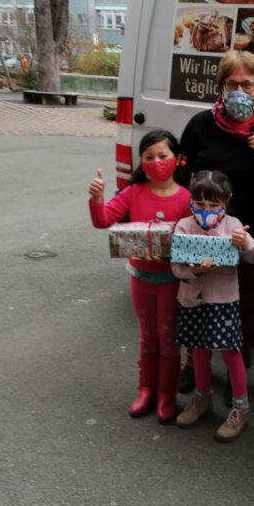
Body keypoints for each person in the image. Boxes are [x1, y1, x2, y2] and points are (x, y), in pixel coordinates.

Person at [178, 50, 254, 398]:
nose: (240, 91)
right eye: (232, 83)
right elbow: (182, 177)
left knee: (242, 303)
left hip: (246, 233)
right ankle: (192, 362)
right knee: (194, 295)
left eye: (247, 84)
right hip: (199, 230)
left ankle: (238, 369)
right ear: (220, 87)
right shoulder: (200, 125)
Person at [88, 130, 191, 422]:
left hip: (172, 281)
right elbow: (102, 221)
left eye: (163, 156)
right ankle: (146, 389)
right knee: (148, 337)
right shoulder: (133, 193)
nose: (156, 162)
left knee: (169, 339)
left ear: (178, 159)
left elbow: (195, 243)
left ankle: (166, 395)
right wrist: (97, 198)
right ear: (141, 161)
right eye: (149, 157)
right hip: (141, 279)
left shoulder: (187, 199)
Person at [172, 170, 254, 442]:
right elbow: (176, 267)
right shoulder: (184, 226)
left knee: (230, 353)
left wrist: (245, 242)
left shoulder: (234, 225)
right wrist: (196, 271)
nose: (206, 210)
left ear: (226, 200)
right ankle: (202, 398)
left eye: (213, 204)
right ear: (191, 201)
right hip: (191, 299)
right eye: (199, 203)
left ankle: (240, 407)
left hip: (223, 301)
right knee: (197, 350)